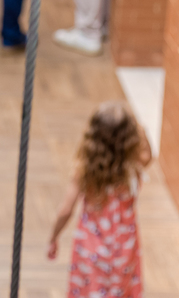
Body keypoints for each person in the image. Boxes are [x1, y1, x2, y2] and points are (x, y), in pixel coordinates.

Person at [48, 102, 152, 297]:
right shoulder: (134, 166)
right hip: (124, 249)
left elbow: (65, 210)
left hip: (91, 251)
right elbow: (149, 154)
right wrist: (140, 130)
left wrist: (54, 237)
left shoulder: (85, 171)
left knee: (90, 290)